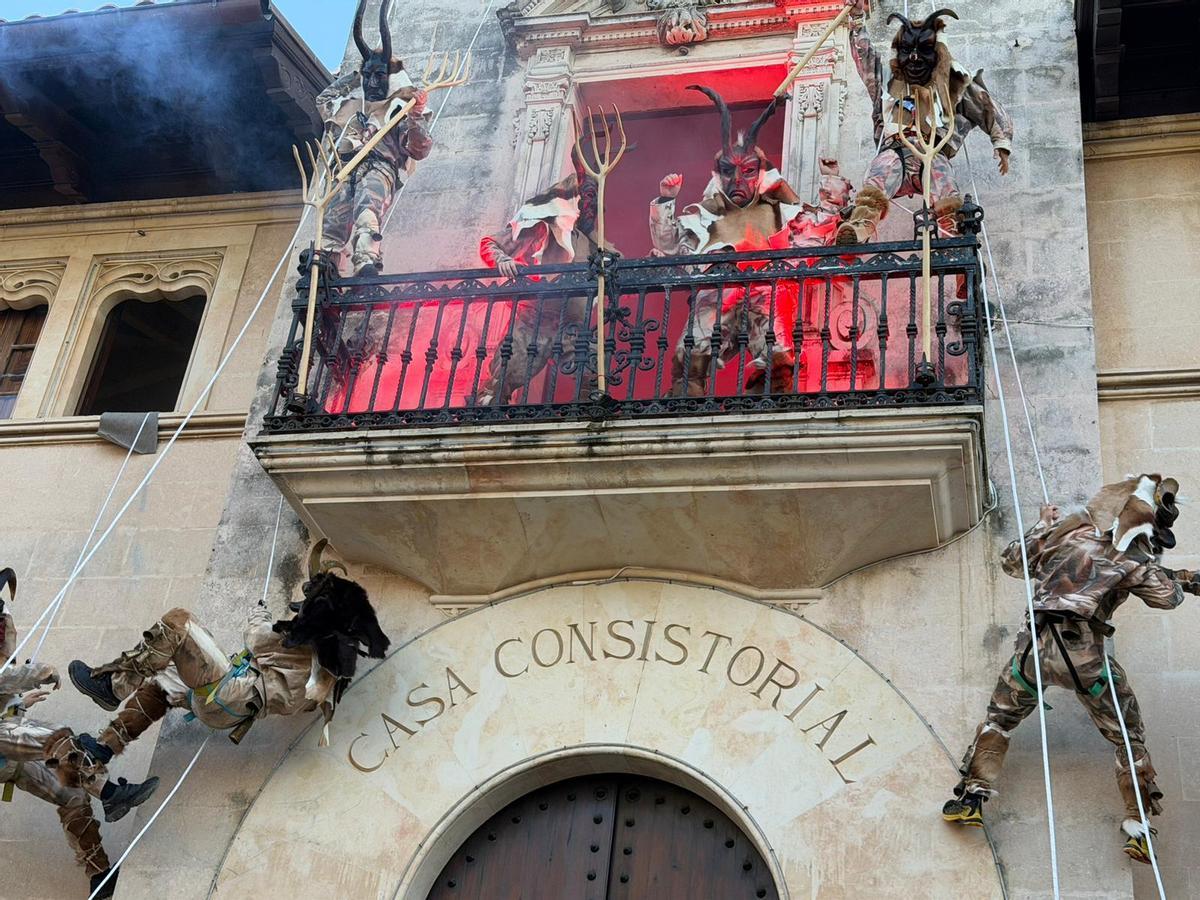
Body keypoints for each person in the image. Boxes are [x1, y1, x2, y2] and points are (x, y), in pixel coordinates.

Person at [943, 475, 1200, 864]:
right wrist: (1169, 576)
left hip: (1033, 651)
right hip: (1083, 657)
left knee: (1000, 719)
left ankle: (973, 795)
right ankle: (1139, 826)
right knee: (1128, 738)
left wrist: (1044, 524)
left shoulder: (1066, 535)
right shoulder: (1130, 557)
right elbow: (1166, 600)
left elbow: (1013, 561)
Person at [66, 542, 390, 760]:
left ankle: (113, 686)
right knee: (163, 678)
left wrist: (259, 614)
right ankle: (103, 751)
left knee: (179, 623)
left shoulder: (309, 644)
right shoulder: (327, 674)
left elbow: (257, 639)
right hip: (228, 707)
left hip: (227, 693)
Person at [0, 569, 157, 899]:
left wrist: (19, 700)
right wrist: (36, 674)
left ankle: (100, 874)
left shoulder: (3, 634)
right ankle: (110, 792)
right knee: (58, 741)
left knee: (70, 794)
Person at [837, 4, 1013, 245]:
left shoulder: (954, 81)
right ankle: (860, 227)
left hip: (933, 152)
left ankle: (955, 244)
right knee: (879, 175)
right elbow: (865, 58)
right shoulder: (887, 82)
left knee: (944, 187)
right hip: (896, 149)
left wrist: (1001, 141)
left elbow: (986, 104)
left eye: (924, 50)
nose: (915, 57)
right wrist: (857, 19)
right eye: (908, 50)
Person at [476, 143, 611, 405]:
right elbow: (490, 244)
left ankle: (592, 417)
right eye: (589, 197)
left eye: (596, 200)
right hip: (534, 318)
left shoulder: (590, 240)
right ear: (575, 197)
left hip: (571, 321)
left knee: (592, 373)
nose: (592, 207)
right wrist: (502, 259)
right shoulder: (544, 224)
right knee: (504, 376)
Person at [316, 0, 432, 276]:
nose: (371, 82)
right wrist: (355, 77)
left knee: (368, 209)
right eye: (367, 75)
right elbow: (324, 100)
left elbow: (419, 148)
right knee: (335, 214)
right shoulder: (355, 105)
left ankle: (366, 260)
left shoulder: (399, 108)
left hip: (379, 166)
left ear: (390, 79)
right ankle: (324, 265)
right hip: (346, 167)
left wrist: (415, 113)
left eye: (378, 75)